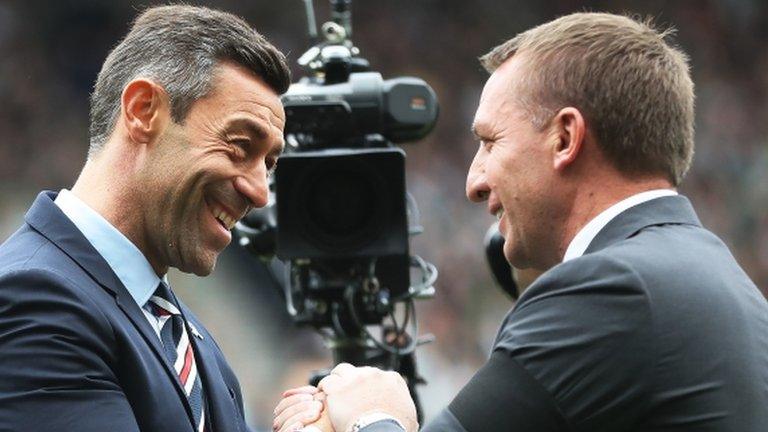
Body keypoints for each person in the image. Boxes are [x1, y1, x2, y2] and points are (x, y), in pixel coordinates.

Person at [273, 12, 768, 432]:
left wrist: (371, 414)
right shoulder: (725, 284)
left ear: (565, 139)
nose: (474, 182)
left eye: (490, 142)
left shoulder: (611, 289)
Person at [0, 5, 290, 431]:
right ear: (142, 110)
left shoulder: (194, 342)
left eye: (268, 164)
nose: (260, 192)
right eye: (240, 146)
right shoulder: (34, 300)